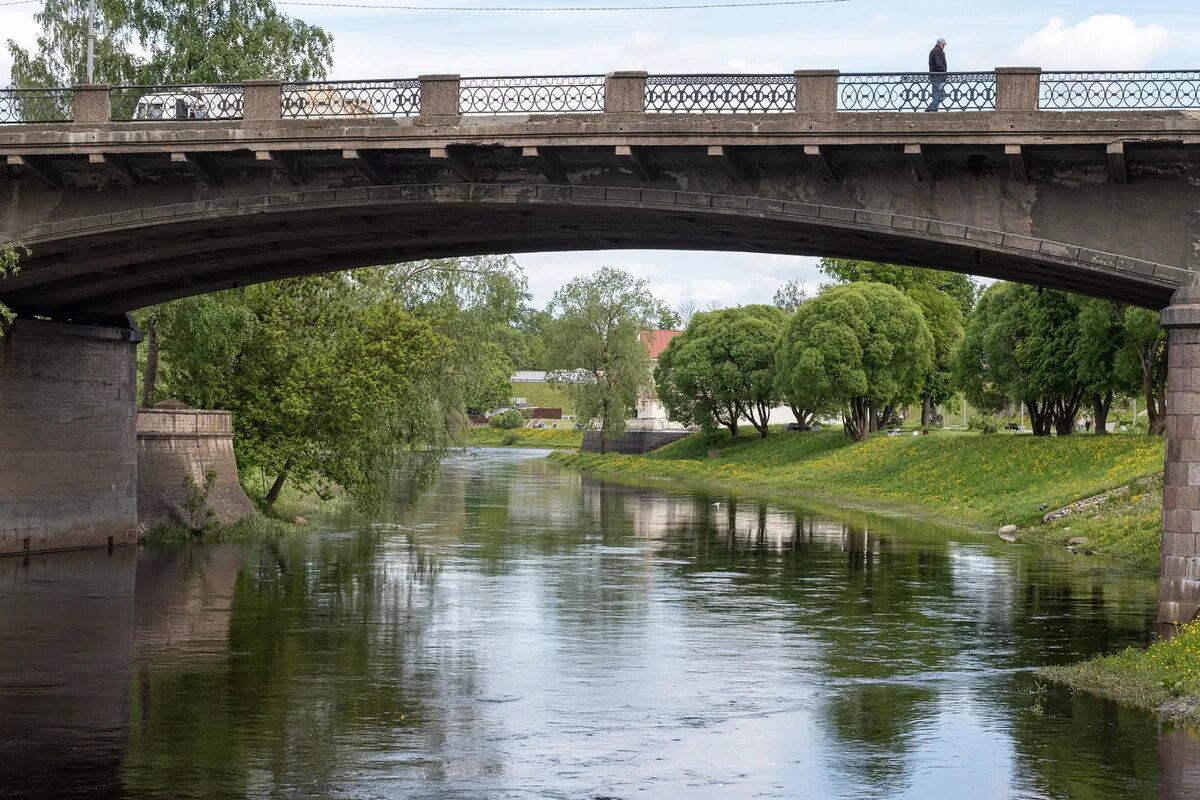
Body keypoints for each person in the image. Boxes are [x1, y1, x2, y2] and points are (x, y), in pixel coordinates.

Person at [927, 38, 948, 112]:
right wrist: (943, 72)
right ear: (941, 44)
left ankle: (931, 108)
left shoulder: (936, 51)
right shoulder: (937, 51)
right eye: (943, 45)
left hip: (937, 76)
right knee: (939, 94)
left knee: (940, 94)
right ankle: (932, 109)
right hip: (937, 76)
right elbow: (939, 64)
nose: (944, 46)